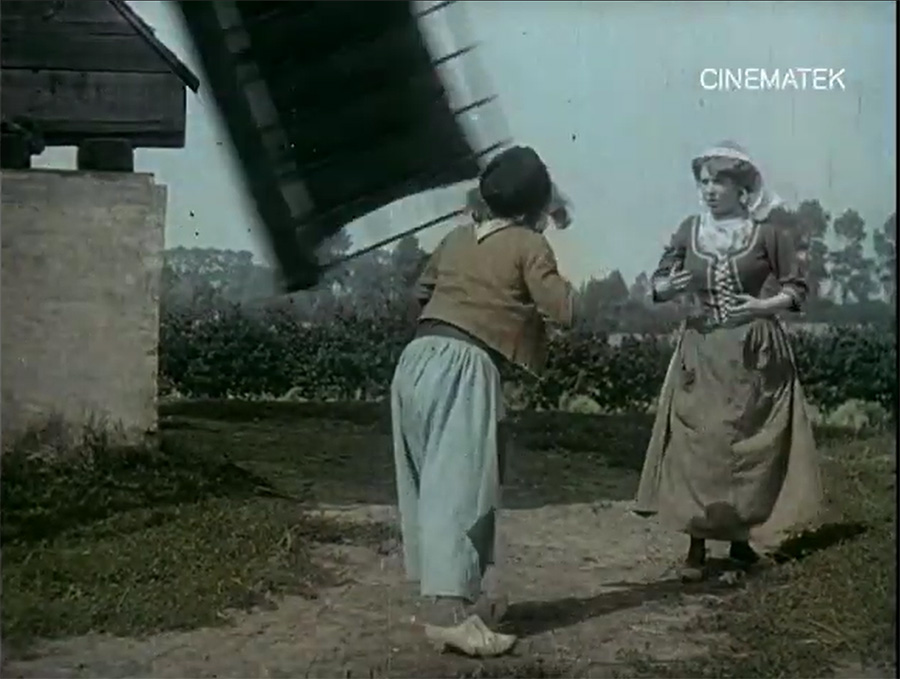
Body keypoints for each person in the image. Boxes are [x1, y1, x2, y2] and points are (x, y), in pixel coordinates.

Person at [391, 145, 576, 656]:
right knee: (461, 489)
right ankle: (449, 616)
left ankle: (447, 599)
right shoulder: (529, 244)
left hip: (417, 359)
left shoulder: (456, 237)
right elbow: (564, 310)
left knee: (428, 486)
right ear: (537, 205)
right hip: (465, 365)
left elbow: (419, 294)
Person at [634, 141, 823, 582]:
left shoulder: (769, 235)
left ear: (742, 188)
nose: (709, 190)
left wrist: (761, 306)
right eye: (704, 182)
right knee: (698, 442)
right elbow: (659, 280)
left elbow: (797, 290)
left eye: (719, 181)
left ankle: (740, 541)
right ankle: (696, 545)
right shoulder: (689, 230)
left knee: (747, 443)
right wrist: (665, 288)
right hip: (702, 350)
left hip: (753, 352)